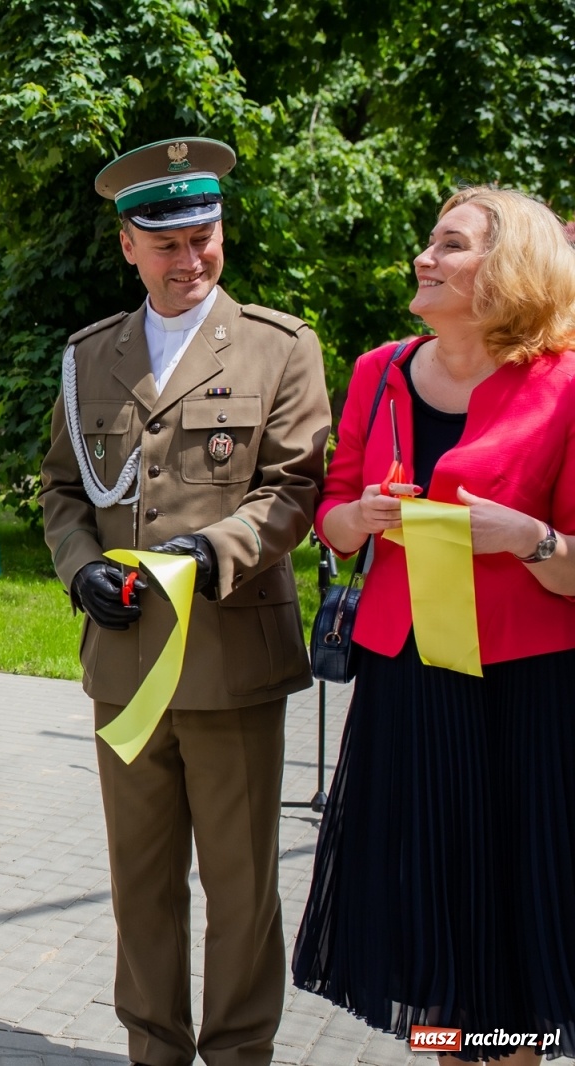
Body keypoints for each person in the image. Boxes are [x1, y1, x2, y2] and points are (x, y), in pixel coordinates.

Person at [39, 137, 331, 1066]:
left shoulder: (280, 347)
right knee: (141, 883)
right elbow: (61, 491)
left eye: (203, 236)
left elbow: (294, 488)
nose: (189, 258)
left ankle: (240, 1052)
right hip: (125, 666)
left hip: (229, 661)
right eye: (166, 243)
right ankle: (153, 1048)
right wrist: (81, 568)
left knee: (242, 890)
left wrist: (212, 551)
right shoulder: (91, 356)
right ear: (129, 245)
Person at [293, 187, 575, 1064]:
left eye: (450, 244)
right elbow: (333, 511)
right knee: (428, 917)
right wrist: (357, 518)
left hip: (522, 693)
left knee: (512, 918)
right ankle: (452, 1055)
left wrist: (527, 538)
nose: (425, 256)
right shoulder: (378, 370)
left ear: (509, 268)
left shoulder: (565, 382)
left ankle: (510, 1056)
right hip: (407, 681)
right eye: (430, 240)